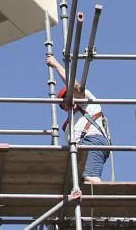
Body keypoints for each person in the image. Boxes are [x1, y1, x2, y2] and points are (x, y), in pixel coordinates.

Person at [46, 53, 110, 184]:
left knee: (90, 179)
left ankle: (103, 199)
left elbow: (76, 87)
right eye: (64, 103)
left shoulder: (87, 101)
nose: (68, 102)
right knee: (78, 183)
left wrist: (56, 65)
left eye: (68, 97)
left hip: (91, 142)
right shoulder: (70, 124)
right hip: (80, 148)